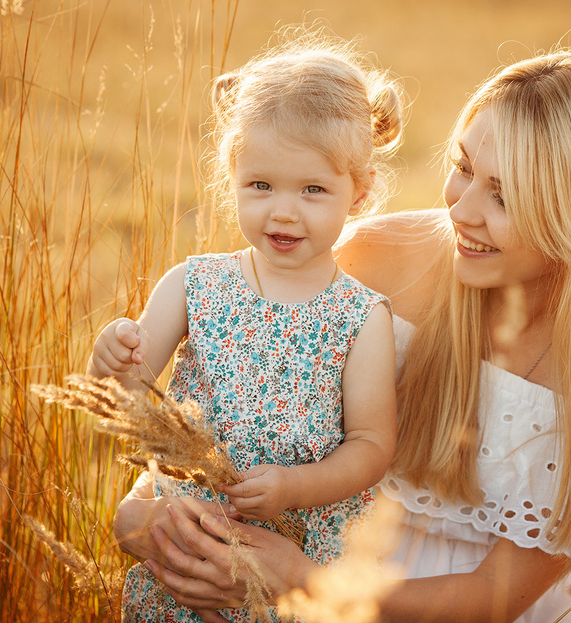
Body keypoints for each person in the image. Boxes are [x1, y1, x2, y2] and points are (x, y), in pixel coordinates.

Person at [113, 47, 571, 623]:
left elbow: (495, 597)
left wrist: (301, 581)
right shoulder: (373, 261)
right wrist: (149, 521)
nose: (461, 210)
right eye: (464, 167)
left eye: (504, 194)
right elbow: (236, 420)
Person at [87, 29, 404, 622]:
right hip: (186, 548)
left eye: (313, 190)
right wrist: (111, 360)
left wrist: (292, 487)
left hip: (292, 550)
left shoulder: (362, 317)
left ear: (357, 194)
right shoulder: (193, 284)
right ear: (233, 175)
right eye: (260, 185)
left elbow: (370, 446)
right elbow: (128, 399)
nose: (282, 210)